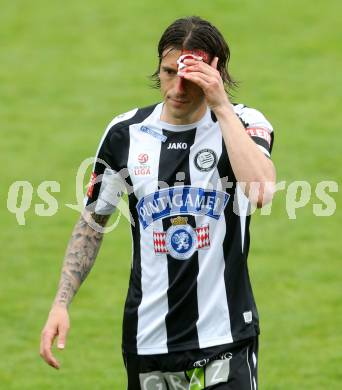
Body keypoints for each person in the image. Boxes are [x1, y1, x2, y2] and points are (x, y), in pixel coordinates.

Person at [40, 16, 276, 390]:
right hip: (148, 340)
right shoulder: (125, 133)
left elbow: (260, 191)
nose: (178, 87)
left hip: (225, 338)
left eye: (191, 75)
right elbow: (93, 222)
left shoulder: (243, 123)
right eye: (169, 72)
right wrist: (60, 303)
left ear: (215, 73)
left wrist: (223, 107)